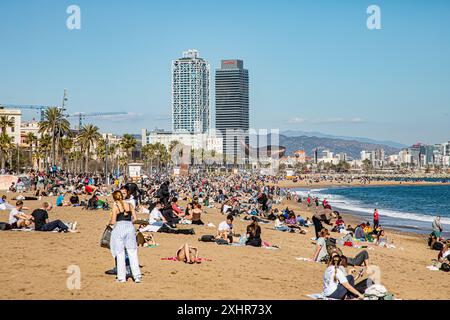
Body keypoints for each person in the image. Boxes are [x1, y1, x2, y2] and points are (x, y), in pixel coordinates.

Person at [109, 190, 142, 283]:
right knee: (132, 251)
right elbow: (135, 219)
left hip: (119, 228)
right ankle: (137, 276)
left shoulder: (115, 206)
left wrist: (108, 223)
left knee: (120, 253)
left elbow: (113, 221)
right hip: (130, 227)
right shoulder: (130, 205)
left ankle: (121, 277)